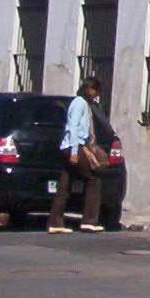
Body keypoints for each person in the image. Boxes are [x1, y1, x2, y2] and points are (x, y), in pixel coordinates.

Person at [49, 76, 108, 233]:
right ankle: (89, 220)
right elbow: (73, 127)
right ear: (89, 89)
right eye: (95, 90)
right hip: (74, 146)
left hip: (71, 146)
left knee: (65, 183)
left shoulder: (83, 104)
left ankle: (55, 222)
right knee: (93, 179)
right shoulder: (79, 103)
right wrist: (75, 152)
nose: (95, 95)